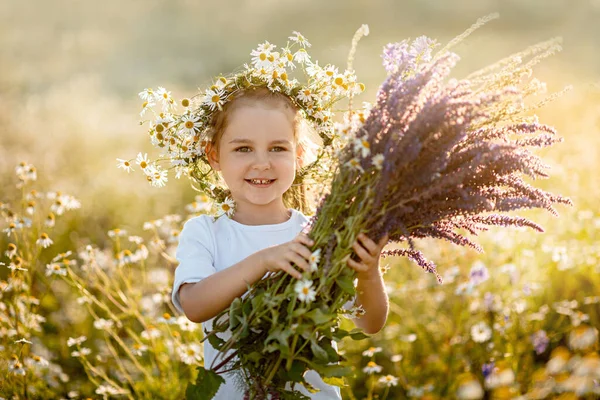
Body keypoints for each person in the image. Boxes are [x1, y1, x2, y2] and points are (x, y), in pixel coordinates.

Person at [171, 86, 388, 399]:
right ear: (214, 155)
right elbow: (193, 305)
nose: (262, 163)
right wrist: (262, 261)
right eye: (243, 148)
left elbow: (369, 322)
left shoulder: (317, 233)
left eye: (278, 148)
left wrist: (368, 273)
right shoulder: (205, 232)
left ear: (298, 155)